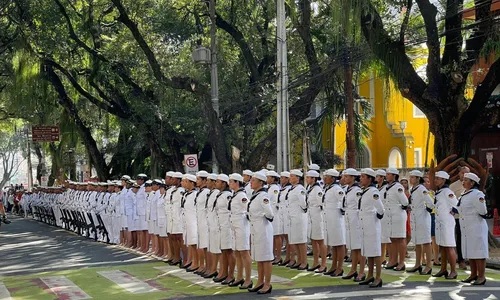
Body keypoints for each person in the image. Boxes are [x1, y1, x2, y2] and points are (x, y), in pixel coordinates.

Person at [457, 173, 488, 285]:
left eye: (466, 180)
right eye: (463, 179)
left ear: (472, 182)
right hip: (467, 228)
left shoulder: (477, 194)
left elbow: (483, 211)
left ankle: (481, 277)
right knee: (471, 252)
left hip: (476, 227)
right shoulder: (464, 194)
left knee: (479, 252)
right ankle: (473, 274)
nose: (463, 181)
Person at [247, 171, 274, 294]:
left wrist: (261, 217)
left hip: (263, 228)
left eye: (253, 180)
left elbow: (269, 213)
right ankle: (260, 281)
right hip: (256, 228)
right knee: (259, 257)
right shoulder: (255, 195)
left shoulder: (263, 196)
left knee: (266, 258)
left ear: (260, 182)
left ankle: (267, 284)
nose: (251, 182)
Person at [358, 168, 385, 288]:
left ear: (369, 178)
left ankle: (378, 277)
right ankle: (369, 275)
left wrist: (376, 218)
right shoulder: (366, 190)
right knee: (369, 251)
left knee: (376, 252)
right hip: (365, 225)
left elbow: (381, 209)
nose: (360, 178)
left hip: (372, 224)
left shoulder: (373, 191)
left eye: (363, 176)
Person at [227, 173, 252, 289]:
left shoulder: (241, 195)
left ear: (237, 182)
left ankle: (248, 279)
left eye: (231, 181)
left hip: (241, 225)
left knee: (244, 252)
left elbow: (248, 208)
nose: (230, 183)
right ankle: (239, 277)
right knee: (237, 252)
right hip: (235, 225)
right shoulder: (235, 194)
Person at [432, 171, 458, 279]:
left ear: (443, 180)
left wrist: (454, 211)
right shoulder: (440, 192)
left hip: (447, 223)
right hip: (440, 223)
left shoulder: (447, 192)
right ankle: (443, 269)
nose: (435, 180)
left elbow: (456, 204)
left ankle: (453, 271)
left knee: (449, 247)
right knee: (442, 246)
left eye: (438, 178)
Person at [407, 170, 434, 275]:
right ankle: (417, 263)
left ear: (418, 178)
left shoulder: (422, 189)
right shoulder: (412, 189)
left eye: (413, 177)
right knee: (417, 241)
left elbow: (430, 202)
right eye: (410, 177)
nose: (410, 179)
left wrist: (425, 210)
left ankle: (428, 265)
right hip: (415, 216)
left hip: (422, 217)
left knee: (426, 242)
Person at [341, 168, 366, 282]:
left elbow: (359, 206)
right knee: (353, 248)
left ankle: (361, 271)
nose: (344, 178)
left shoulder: (357, 191)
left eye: (347, 176)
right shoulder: (348, 189)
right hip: (349, 220)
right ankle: (353, 269)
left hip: (356, 221)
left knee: (359, 247)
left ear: (352, 177)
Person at [384, 168, 408, 271]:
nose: (387, 176)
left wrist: (399, 207)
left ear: (394, 176)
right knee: (393, 238)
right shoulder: (387, 187)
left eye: (389, 174)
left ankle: (402, 262)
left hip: (398, 215)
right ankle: (393, 260)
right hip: (390, 215)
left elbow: (405, 202)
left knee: (400, 238)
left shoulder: (398, 187)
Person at [323, 169, 346, 277]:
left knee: (339, 244)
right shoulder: (328, 188)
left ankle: (340, 267)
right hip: (330, 219)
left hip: (336, 219)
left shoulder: (336, 189)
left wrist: (341, 210)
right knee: (333, 244)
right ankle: (333, 265)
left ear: (333, 178)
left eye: (327, 176)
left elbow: (344, 200)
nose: (324, 178)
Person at [214, 174, 235, 284]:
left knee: (229, 251)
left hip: (227, 226)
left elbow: (231, 211)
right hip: (220, 225)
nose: (215, 183)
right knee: (223, 250)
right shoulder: (220, 194)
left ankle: (231, 275)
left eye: (218, 181)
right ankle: (223, 272)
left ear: (223, 183)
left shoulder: (227, 195)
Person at [305, 170, 327, 273]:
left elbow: (321, 203)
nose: (307, 179)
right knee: (313, 240)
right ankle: (315, 262)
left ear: (313, 178)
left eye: (308, 177)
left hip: (317, 215)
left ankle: (323, 263)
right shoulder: (310, 188)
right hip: (311, 215)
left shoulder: (317, 189)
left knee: (320, 240)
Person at [287, 169, 308, 270]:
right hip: (292, 217)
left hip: (299, 216)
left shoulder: (300, 189)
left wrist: (303, 210)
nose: (290, 178)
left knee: (301, 240)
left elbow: (303, 202)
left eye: (292, 176)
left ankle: (304, 261)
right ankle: (299, 260)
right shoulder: (292, 188)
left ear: (297, 178)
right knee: (295, 240)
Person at [450, 166, 470, 270]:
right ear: (459, 174)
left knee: (471, 238)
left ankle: (471, 258)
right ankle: (461, 260)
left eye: (467, 173)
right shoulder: (453, 186)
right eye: (462, 173)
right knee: (460, 238)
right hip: (458, 217)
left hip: (470, 218)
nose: (464, 175)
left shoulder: (472, 186)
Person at [204, 173, 221, 279]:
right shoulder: (211, 193)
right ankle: (211, 268)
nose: (207, 182)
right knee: (211, 247)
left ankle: (215, 269)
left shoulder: (216, 194)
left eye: (208, 180)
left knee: (216, 248)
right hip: (210, 223)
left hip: (216, 224)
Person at [181, 174, 199, 272]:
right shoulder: (187, 193)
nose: (183, 183)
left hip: (193, 221)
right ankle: (191, 260)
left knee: (194, 243)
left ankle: (196, 263)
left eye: (186, 181)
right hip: (187, 221)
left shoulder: (195, 194)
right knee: (190, 243)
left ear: (192, 183)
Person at [194, 171, 210, 276]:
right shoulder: (200, 192)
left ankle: (208, 267)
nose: (197, 181)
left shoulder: (206, 192)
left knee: (206, 246)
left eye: (199, 179)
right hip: (199, 221)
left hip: (205, 222)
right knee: (202, 246)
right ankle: (203, 266)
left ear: (204, 180)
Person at [266, 171, 282, 265]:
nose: (267, 179)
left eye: (269, 177)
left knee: (276, 235)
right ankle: (272, 254)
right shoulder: (270, 187)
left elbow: (275, 201)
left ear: (273, 179)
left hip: (274, 213)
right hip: (270, 213)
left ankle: (278, 256)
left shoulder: (275, 188)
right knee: (271, 235)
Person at [277, 171, 292, 266]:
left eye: (283, 177)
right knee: (286, 236)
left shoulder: (289, 188)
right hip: (282, 214)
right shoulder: (283, 188)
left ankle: (289, 257)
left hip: (287, 214)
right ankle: (287, 257)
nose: (281, 179)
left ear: (287, 179)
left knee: (289, 237)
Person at [376, 169, 390, 265]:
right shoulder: (376, 188)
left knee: (384, 236)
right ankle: (380, 257)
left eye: (378, 176)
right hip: (377, 213)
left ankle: (383, 257)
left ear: (382, 177)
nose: (376, 178)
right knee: (379, 236)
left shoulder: (386, 188)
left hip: (384, 213)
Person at [400, 178, 412, 258]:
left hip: (409, 214)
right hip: (402, 213)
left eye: (405, 183)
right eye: (402, 183)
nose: (404, 184)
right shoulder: (400, 192)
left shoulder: (410, 192)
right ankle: (404, 251)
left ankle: (404, 248)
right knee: (404, 233)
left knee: (409, 234)